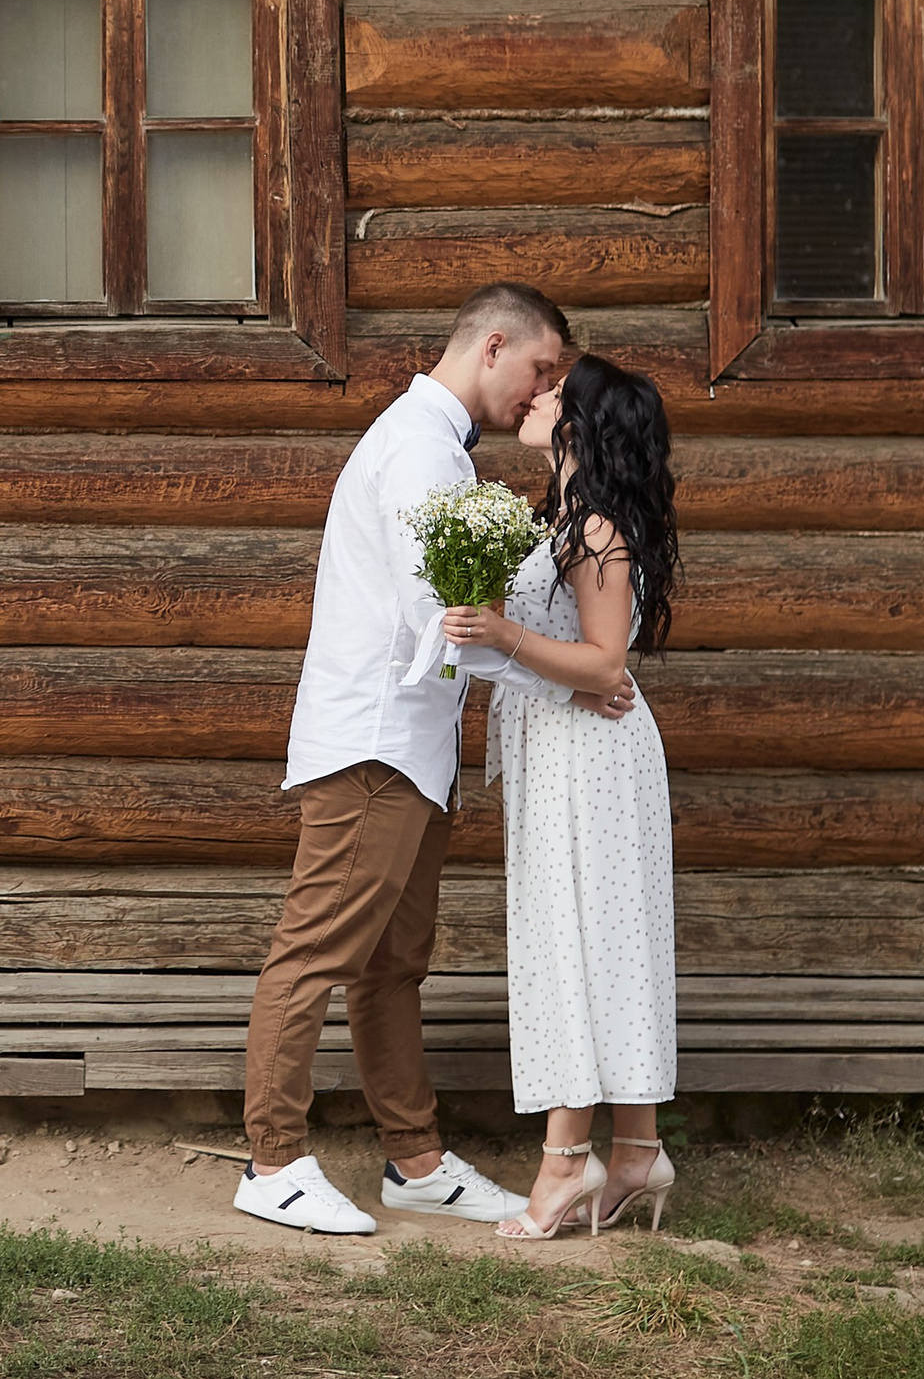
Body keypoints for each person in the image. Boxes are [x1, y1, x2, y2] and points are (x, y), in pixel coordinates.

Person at [234, 284, 637, 1236]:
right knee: (317, 950)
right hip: (373, 744)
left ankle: (414, 1160)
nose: (543, 391)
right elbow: (443, 618)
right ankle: (272, 1162)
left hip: (412, 752)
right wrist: (569, 682)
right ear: (493, 345)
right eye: (540, 368)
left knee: (392, 964)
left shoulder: (439, 446)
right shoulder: (418, 447)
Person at [440, 353, 682, 1240]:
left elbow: (605, 664)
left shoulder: (597, 529)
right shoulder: (570, 518)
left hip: (593, 760)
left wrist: (500, 631)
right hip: (571, 749)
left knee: (576, 943)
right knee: (600, 941)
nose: (536, 398)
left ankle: (566, 1162)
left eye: (554, 393)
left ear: (579, 424)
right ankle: (637, 1149)